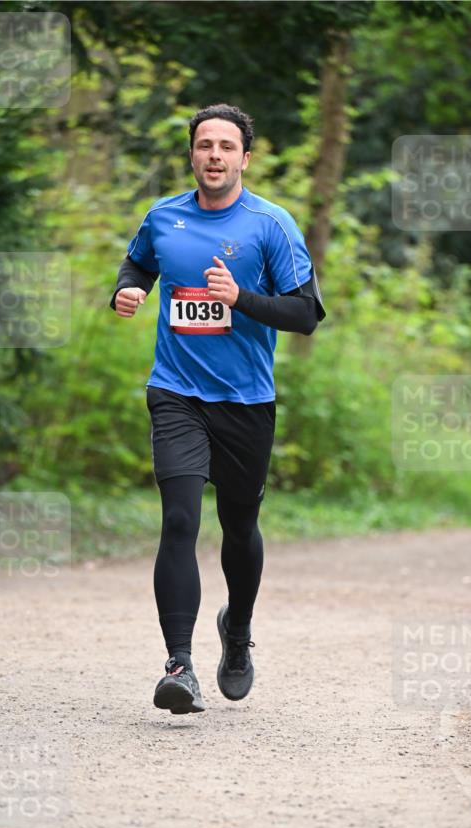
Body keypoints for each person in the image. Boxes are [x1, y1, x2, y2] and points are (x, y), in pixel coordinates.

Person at [110, 103, 325, 714]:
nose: (214, 156)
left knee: (239, 526)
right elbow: (139, 262)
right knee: (179, 519)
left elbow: (306, 315)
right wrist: (127, 290)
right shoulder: (163, 217)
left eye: (226, 147)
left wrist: (242, 298)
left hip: (245, 402)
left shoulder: (271, 225)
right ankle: (179, 664)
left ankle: (238, 631)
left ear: (244, 158)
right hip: (175, 392)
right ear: (192, 154)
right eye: (205, 145)